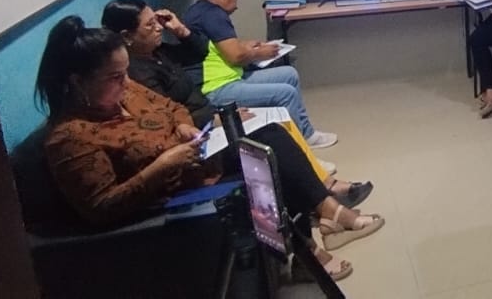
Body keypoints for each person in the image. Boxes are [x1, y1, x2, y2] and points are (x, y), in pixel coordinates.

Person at [37, 17, 383, 279]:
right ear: (78, 83)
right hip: (170, 195)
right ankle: (313, 242)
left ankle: (327, 216)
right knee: (261, 166)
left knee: (270, 136)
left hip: (193, 162)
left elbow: (172, 107)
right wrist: (163, 165)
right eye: (115, 77)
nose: (127, 83)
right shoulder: (71, 137)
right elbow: (100, 207)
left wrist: (183, 125)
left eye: (125, 72)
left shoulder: (125, 94)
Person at [101, 0, 371, 204]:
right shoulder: (136, 73)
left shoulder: (158, 53)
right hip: (201, 130)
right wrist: (218, 118)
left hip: (209, 116)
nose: (159, 27)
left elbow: (198, 54)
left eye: (157, 21)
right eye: (150, 25)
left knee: (279, 121)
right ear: (126, 36)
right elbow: (170, 117)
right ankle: (325, 195)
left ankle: (324, 187)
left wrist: (180, 29)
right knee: (272, 132)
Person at [182, 0, 338, 149]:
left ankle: (302, 131)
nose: (236, 6)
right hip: (217, 88)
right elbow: (236, 56)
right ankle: (302, 142)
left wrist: (246, 45)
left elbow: (220, 47)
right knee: (286, 93)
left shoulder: (199, 11)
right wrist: (259, 53)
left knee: (289, 74)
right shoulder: (214, 15)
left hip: (229, 77)